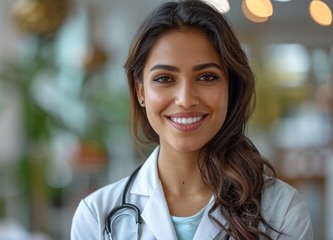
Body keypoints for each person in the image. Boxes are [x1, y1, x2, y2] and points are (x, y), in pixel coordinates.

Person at [70, 0, 314, 239]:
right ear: (140, 91)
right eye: (164, 78)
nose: (185, 99)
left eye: (207, 77)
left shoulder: (282, 212)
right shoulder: (95, 217)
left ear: (231, 87)